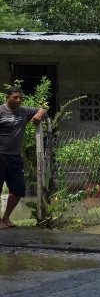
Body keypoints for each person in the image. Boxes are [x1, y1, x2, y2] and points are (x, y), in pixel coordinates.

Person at [0, 87, 47, 229]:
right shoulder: (1, 111)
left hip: (15, 157)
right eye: (15, 97)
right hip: (0, 155)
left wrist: (38, 115)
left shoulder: (24, 111)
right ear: (8, 97)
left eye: (21, 98)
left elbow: (43, 110)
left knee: (19, 189)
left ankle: (6, 218)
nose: (18, 100)